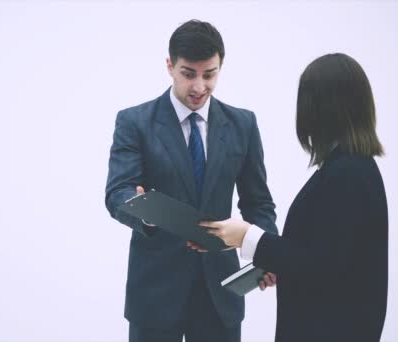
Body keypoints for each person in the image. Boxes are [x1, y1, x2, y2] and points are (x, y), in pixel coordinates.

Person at [195, 53, 388, 341]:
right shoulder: (353, 168)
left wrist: (248, 237)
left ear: (320, 107)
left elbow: (321, 268)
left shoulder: (348, 174)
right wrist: (273, 258)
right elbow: (330, 259)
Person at [105, 19, 277, 342]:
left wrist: (268, 253)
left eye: (209, 74)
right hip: (155, 294)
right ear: (169, 66)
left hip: (220, 295)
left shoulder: (243, 124)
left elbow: (258, 203)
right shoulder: (134, 122)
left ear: (220, 67)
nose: (199, 87)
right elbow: (116, 192)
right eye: (188, 74)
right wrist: (140, 208)